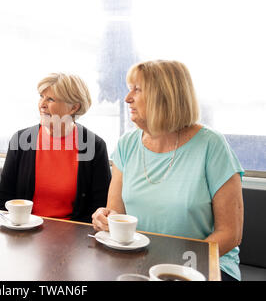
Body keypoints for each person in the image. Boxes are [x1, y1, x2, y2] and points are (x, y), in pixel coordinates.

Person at [91, 60, 244, 281]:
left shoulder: (212, 145)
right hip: (141, 262)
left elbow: (231, 234)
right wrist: (105, 219)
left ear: (165, 96)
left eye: (137, 89)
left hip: (202, 265)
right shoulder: (126, 144)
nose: (127, 98)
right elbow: (116, 213)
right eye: (129, 89)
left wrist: (176, 268)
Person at [0, 73, 111, 223]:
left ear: (74, 107)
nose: (42, 104)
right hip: (24, 232)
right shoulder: (20, 140)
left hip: (74, 236)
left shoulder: (95, 146)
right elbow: (4, 203)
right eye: (41, 97)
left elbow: (99, 208)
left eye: (50, 99)